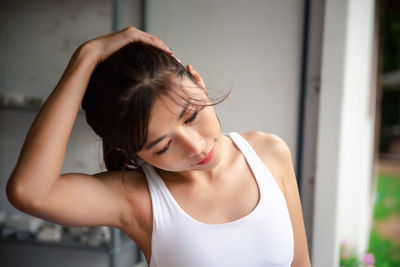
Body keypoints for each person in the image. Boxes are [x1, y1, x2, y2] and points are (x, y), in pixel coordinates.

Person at [6, 26, 311, 266]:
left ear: (198, 80)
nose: (194, 147)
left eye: (191, 115)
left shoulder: (270, 153)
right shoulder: (135, 199)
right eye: (163, 147)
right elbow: (29, 192)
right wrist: (87, 55)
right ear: (131, 152)